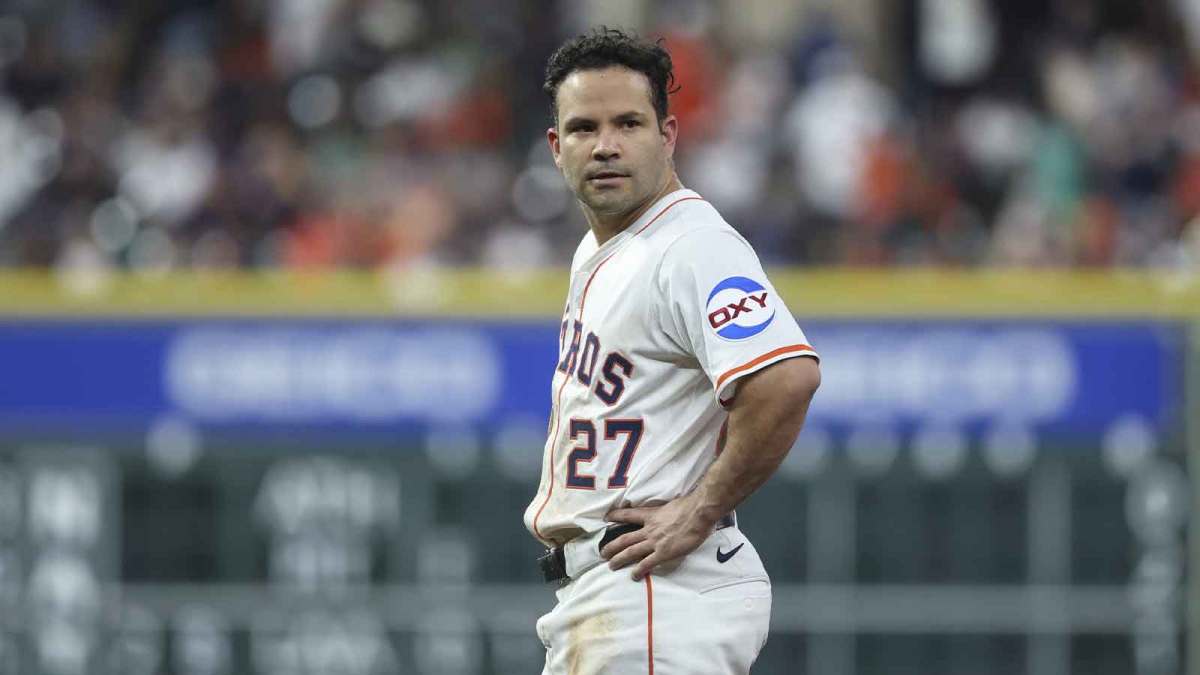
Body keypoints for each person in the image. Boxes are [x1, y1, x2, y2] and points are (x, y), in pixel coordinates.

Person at [524, 27, 821, 674]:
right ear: (556, 147)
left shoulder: (692, 246)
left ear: (668, 135)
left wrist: (699, 509)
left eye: (628, 122)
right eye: (583, 128)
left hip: (655, 592)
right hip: (613, 599)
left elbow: (786, 378)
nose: (605, 145)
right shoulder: (603, 248)